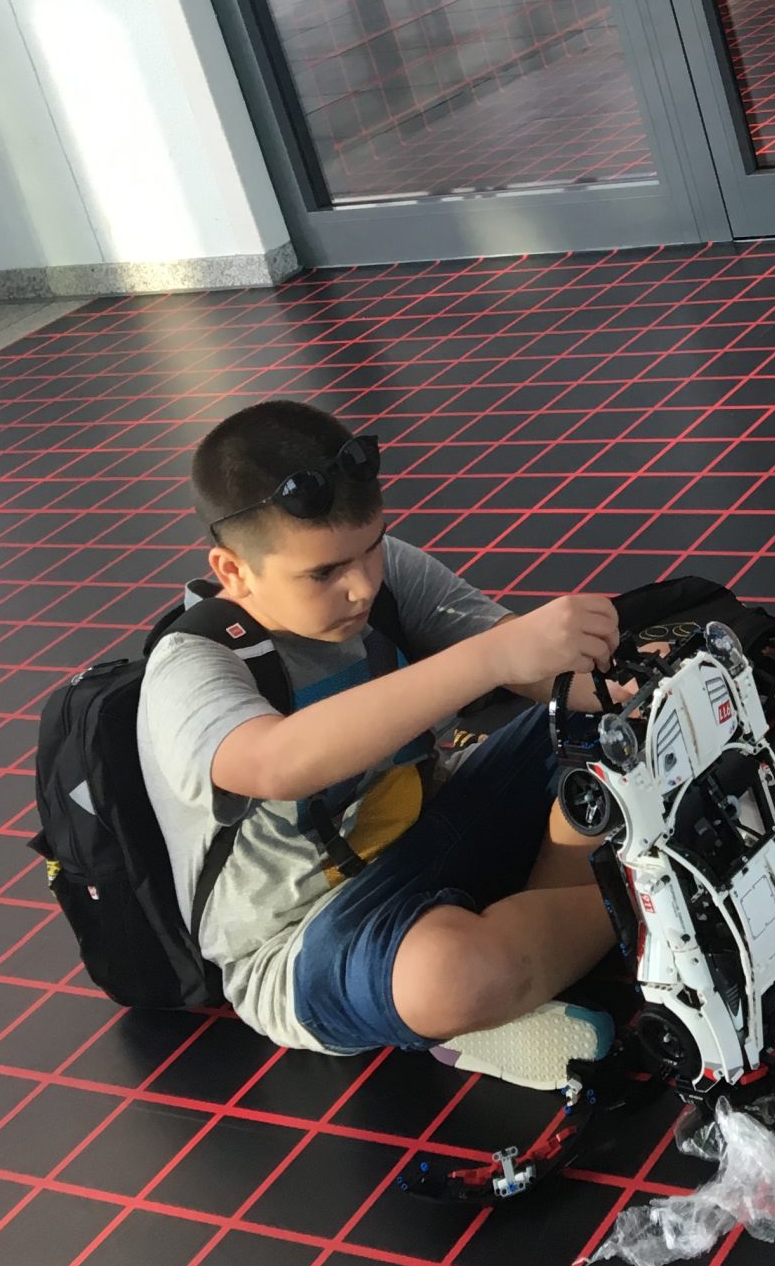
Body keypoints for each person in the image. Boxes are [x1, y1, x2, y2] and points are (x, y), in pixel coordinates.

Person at [137, 399, 623, 1089]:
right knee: (450, 974)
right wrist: (494, 656)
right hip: (308, 934)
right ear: (233, 570)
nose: (362, 585)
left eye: (373, 546)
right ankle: (651, 903)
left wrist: (628, 685)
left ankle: (537, 959)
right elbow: (276, 762)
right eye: (323, 573)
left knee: (612, 728)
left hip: (439, 823)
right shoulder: (191, 666)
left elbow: (538, 672)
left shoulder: (381, 573)